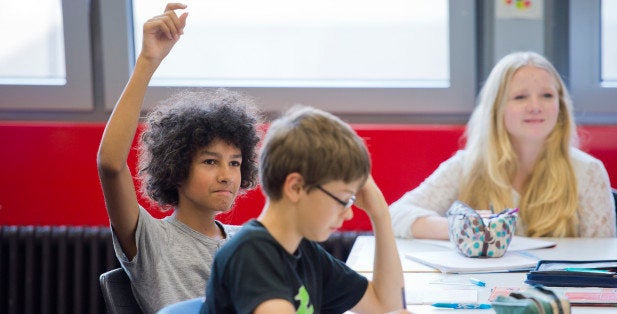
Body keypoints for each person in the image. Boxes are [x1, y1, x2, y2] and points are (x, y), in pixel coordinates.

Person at [97, 3, 261, 312]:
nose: (226, 175)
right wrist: (148, 61)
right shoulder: (151, 241)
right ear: (176, 168)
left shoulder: (245, 239)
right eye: (210, 162)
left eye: (235, 162)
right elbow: (110, 164)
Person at [201, 106, 409, 314]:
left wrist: (380, 215)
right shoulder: (250, 255)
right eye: (343, 199)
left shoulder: (305, 251)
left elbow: (386, 305)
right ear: (296, 187)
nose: (349, 213)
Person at [390, 51, 616, 239]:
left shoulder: (588, 171)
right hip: (483, 289)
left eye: (547, 95)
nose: (535, 106)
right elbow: (395, 216)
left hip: (560, 291)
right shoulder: (465, 166)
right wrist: (463, 228)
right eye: (520, 97)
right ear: (496, 108)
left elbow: (608, 261)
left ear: (561, 106)